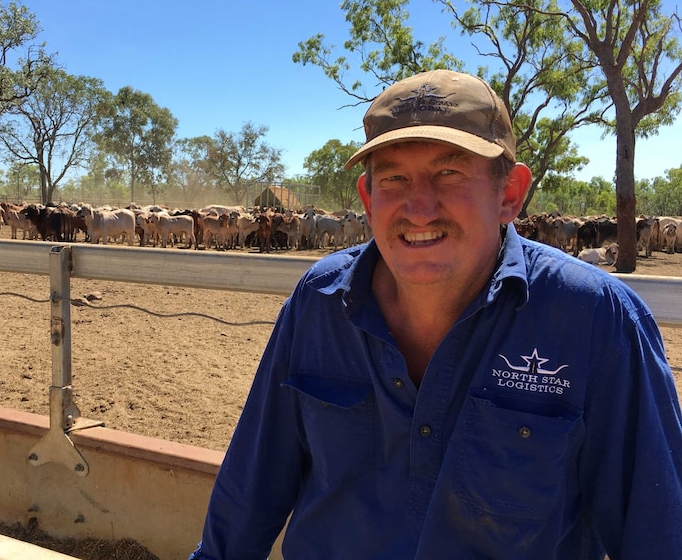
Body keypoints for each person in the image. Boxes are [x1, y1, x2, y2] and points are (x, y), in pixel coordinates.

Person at [189, 69, 682, 559]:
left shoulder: (593, 321)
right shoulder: (319, 304)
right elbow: (245, 502)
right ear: (368, 199)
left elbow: (659, 532)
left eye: (449, 173)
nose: (419, 208)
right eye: (394, 177)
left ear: (509, 193)